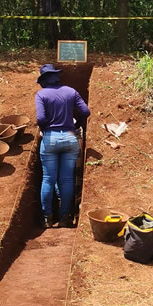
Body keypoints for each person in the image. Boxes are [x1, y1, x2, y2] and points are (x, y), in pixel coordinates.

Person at [35, 64, 90, 228]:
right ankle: (66, 217)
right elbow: (85, 112)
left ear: (44, 80)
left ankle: (47, 218)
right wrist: (76, 124)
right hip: (70, 137)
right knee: (66, 179)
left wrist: (46, 130)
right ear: (57, 77)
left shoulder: (41, 94)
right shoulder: (71, 91)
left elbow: (41, 119)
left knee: (48, 178)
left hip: (50, 139)